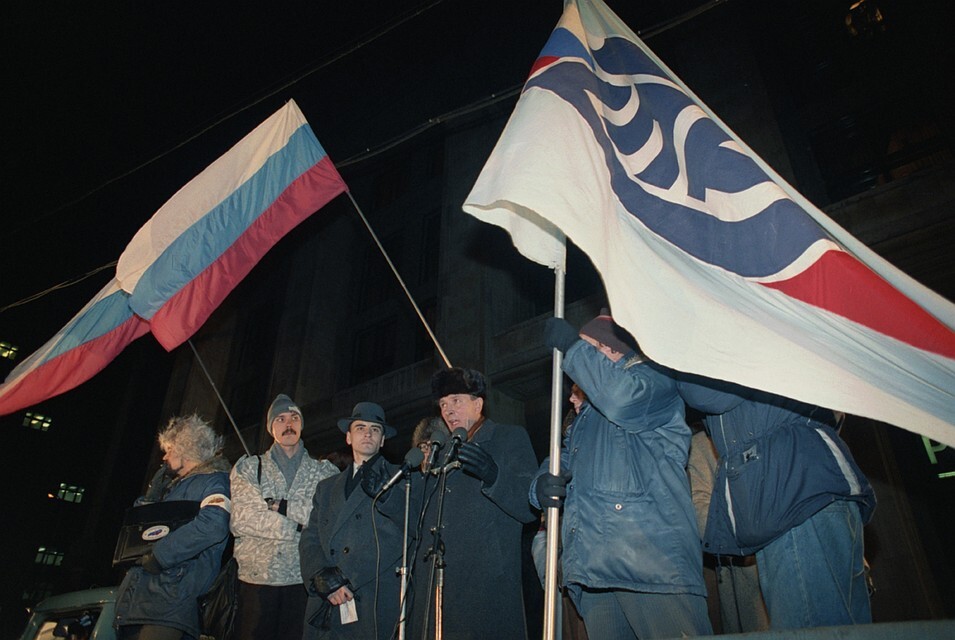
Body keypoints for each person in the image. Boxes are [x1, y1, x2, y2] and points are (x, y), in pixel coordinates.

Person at [533, 313, 711, 639]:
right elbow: (562, 458)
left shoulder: (655, 381)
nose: (574, 383)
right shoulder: (585, 419)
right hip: (595, 571)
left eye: (589, 351)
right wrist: (541, 484)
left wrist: (573, 347)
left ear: (609, 349)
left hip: (651, 566)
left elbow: (621, 400)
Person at [676, 375, 876, 629]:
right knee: (843, 626)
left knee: (809, 628)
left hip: (790, 495)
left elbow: (702, 392)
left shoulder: (740, 349)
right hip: (816, 488)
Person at [373, 367, 538, 640]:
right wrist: (390, 499)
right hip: (437, 587)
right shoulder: (442, 450)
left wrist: (494, 476)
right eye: (443, 404)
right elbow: (421, 521)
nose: (448, 410)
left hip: (485, 588)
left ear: (478, 403)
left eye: (456, 401)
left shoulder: (508, 437)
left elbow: (528, 507)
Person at [230, 394, 340, 640]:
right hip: (256, 580)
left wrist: (282, 507)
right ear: (271, 427)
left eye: (294, 417)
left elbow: (326, 520)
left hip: (302, 581)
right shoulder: (249, 468)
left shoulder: (325, 472)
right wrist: (302, 527)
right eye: (280, 418)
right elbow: (244, 519)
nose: (288, 423)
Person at [114, 415, 232, 640]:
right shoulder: (173, 487)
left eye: (169, 449)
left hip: (170, 602)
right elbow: (141, 535)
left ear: (185, 449)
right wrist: (150, 499)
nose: (165, 456)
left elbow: (214, 524)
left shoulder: (213, 481)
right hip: (139, 604)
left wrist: (161, 555)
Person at [300, 402, 403, 640]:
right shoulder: (326, 488)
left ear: (383, 440)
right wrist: (320, 576)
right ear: (348, 437)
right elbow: (310, 537)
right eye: (360, 427)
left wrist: (344, 576)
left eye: (375, 429)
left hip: (368, 596)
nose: (367, 433)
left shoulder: (400, 479)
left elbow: (398, 537)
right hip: (325, 598)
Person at [686, 425, 769, 633]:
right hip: (739, 569)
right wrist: (740, 540)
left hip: (777, 565)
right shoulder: (703, 444)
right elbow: (699, 505)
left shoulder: (773, 434)